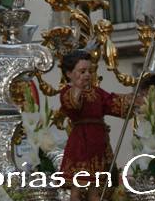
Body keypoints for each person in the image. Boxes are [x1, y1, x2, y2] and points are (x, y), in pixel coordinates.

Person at [58, 49, 137, 201]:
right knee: (77, 187)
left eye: (90, 71)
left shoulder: (97, 92)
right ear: (69, 73)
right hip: (81, 142)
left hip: (98, 142)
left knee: (96, 188)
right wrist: (78, 87)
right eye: (82, 71)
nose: (87, 75)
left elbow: (112, 102)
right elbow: (72, 104)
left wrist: (132, 100)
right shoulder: (66, 92)